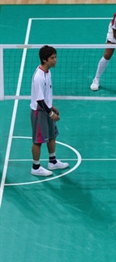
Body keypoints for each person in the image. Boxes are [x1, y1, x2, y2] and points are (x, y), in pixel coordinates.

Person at [30, 45, 69, 176]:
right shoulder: (39, 77)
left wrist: (51, 106)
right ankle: (35, 167)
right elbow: (39, 101)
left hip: (46, 109)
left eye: (55, 57)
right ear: (44, 60)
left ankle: (52, 161)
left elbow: (45, 96)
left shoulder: (48, 72)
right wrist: (50, 113)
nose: (55, 60)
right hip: (39, 112)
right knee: (38, 140)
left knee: (52, 136)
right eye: (52, 58)